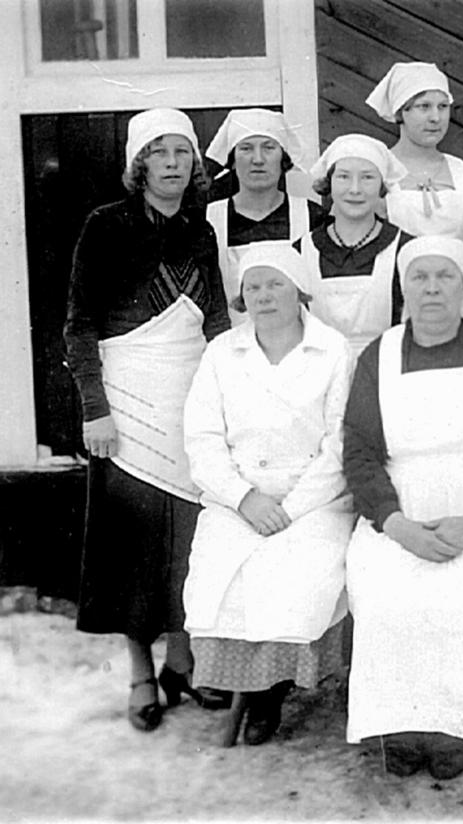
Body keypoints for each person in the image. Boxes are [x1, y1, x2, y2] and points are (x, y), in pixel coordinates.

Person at [64, 107, 230, 732]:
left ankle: (181, 662)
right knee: (132, 544)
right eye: (158, 153)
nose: (171, 164)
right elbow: (80, 324)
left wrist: (228, 398)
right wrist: (95, 410)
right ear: (140, 165)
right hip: (126, 404)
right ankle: (140, 671)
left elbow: (215, 319)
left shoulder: (199, 229)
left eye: (181, 152)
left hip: (189, 397)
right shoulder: (105, 226)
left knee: (188, 536)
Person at [342, 236, 463, 780]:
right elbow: (359, 451)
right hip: (397, 507)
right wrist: (395, 524)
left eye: (445, 277)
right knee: (386, 598)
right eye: (419, 278)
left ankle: (453, 728)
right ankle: (400, 727)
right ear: (403, 289)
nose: (432, 289)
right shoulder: (379, 354)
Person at [182, 243, 355, 746]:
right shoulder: (222, 352)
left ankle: (272, 691)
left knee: (297, 576)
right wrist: (243, 498)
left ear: (299, 290)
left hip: (313, 498)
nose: (264, 295)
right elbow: (202, 438)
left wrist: (291, 508)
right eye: (253, 286)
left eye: (275, 284)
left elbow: (340, 442)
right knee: (222, 577)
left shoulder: (333, 349)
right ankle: (245, 686)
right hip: (238, 497)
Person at [204, 108, 327, 325]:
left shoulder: (312, 217)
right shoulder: (208, 220)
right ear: (232, 159)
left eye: (269, 148)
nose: (258, 159)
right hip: (229, 341)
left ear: (283, 158)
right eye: (246, 148)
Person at [299, 133, 410, 353]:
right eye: (343, 177)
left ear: (382, 185)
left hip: (385, 368)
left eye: (367, 177)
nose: (355, 189)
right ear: (329, 182)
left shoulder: (404, 249)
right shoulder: (302, 251)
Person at [365, 61, 463, 240]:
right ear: (400, 112)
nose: (435, 118)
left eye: (443, 106)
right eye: (424, 106)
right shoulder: (377, 171)